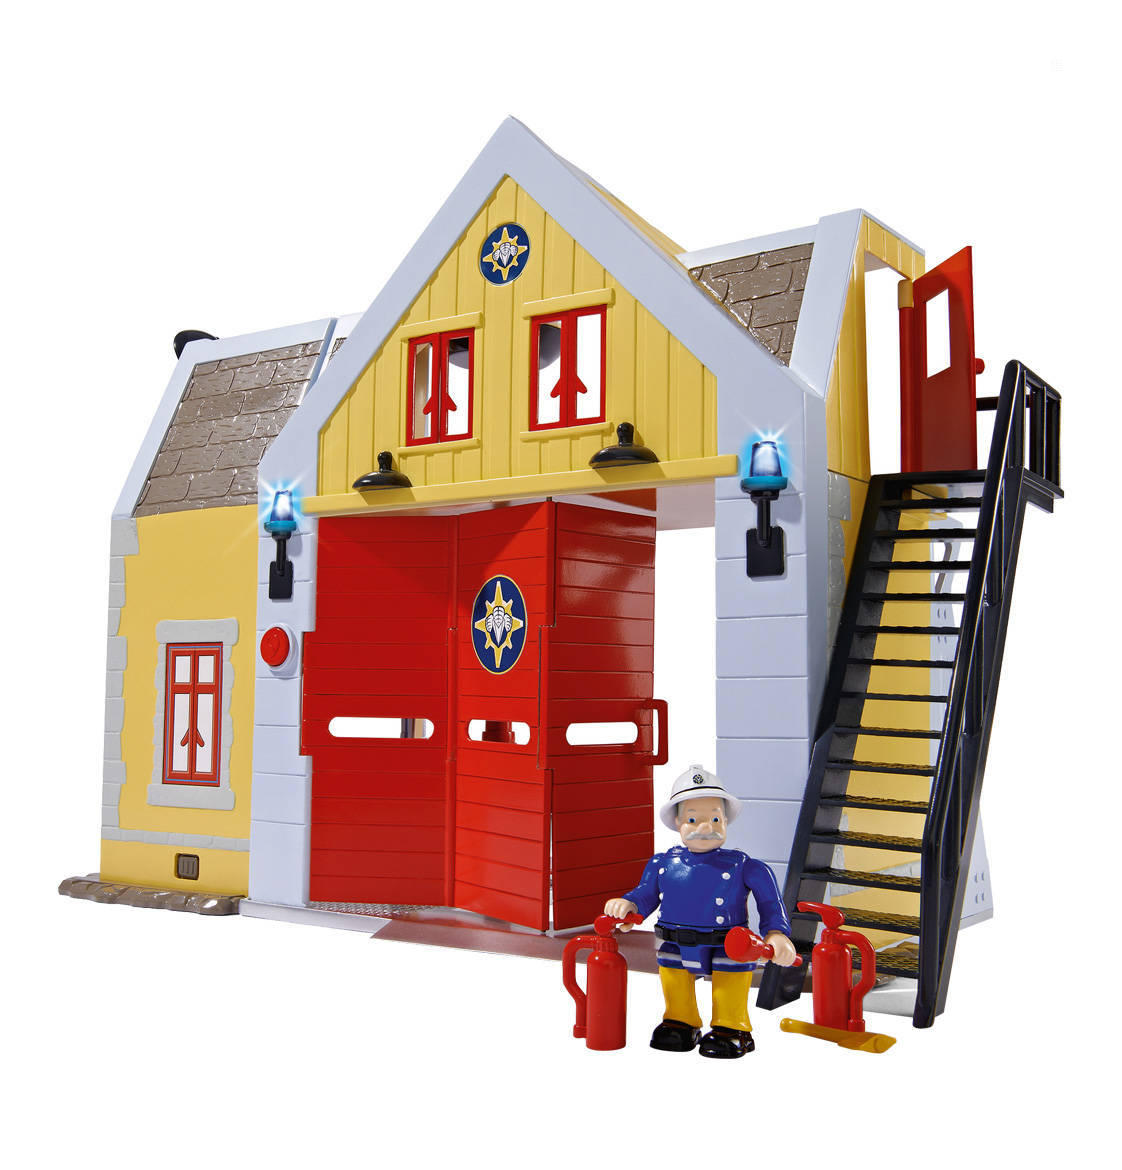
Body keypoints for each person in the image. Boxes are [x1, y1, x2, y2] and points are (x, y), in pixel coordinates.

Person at [604, 764, 798, 1058]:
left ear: (726, 821)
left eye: (715, 819)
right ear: (678, 822)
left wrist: (776, 933)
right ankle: (680, 1022)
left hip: (728, 944)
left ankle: (731, 1028)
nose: (706, 828)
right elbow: (645, 894)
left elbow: (771, 904)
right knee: (674, 977)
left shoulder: (745, 866)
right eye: (693, 819)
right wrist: (629, 905)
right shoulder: (663, 863)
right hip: (675, 941)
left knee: (729, 981)